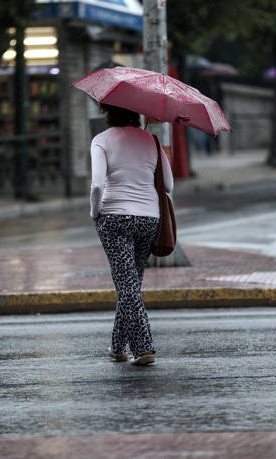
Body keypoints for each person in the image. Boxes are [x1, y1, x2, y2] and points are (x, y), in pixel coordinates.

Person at [90, 104, 173, 366]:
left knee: (126, 284)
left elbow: (97, 185)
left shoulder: (102, 140)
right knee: (131, 283)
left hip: (114, 218)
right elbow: (168, 185)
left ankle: (144, 347)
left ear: (108, 114)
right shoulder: (152, 141)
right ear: (135, 114)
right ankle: (117, 347)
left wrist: (95, 213)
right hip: (149, 218)